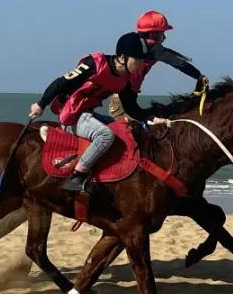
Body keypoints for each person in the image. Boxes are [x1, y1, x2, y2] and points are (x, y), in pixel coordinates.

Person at [30, 33, 149, 192]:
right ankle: (77, 176)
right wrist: (41, 104)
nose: (141, 64)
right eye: (138, 59)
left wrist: (152, 118)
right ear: (123, 57)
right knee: (105, 135)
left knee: (123, 128)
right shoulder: (95, 64)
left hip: (88, 114)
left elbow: (131, 108)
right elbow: (62, 83)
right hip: (71, 115)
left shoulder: (125, 79)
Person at [108, 10, 208, 120]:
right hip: (123, 103)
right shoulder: (152, 48)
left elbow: (169, 54)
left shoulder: (140, 45)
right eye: (162, 34)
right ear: (152, 34)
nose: (164, 38)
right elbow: (177, 62)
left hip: (124, 99)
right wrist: (199, 76)